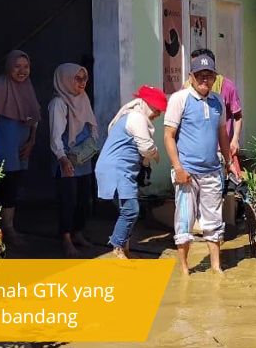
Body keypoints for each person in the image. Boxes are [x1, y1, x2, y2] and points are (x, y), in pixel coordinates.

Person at [164, 53, 235, 275]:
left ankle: (215, 266)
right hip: (187, 173)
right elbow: (168, 135)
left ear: (215, 77)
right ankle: (185, 268)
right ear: (191, 77)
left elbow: (222, 134)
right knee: (184, 220)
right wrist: (178, 168)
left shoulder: (218, 101)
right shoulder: (179, 99)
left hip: (212, 171)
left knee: (214, 219)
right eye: (200, 75)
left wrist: (229, 162)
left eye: (209, 75)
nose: (205, 79)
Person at [95, 85, 168, 259]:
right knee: (131, 210)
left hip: (121, 169)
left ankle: (124, 249)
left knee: (127, 210)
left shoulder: (131, 116)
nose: (158, 114)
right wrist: (155, 154)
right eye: (157, 109)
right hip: (117, 169)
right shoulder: (136, 117)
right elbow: (146, 147)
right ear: (147, 104)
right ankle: (117, 246)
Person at [0, 50, 41, 245]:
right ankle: (2, 231)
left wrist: (32, 141)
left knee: (14, 185)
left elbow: (34, 116)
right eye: (17, 66)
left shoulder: (27, 87)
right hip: (3, 143)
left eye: (26, 66)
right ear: (8, 67)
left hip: (21, 144)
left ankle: (8, 228)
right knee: (4, 185)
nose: (22, 71)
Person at [49, 63, 100, 258]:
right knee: (67, 200)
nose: (82, 82)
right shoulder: (59, 103)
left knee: (82, 199)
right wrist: (62, 159)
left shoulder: (83, 98)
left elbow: (91, 124)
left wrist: (93, 144)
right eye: (77, 79)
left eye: (84, 78)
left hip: (83, 158)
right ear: (65, 80)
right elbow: (55, 136)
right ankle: (66, 238)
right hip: (67, 159)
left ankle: (78, 233)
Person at [188, 48, 243, 164]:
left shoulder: (227, 87)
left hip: (221, 151)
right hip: (194, 153)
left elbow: (238, 116)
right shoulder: (185, 91)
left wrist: (235, 139)